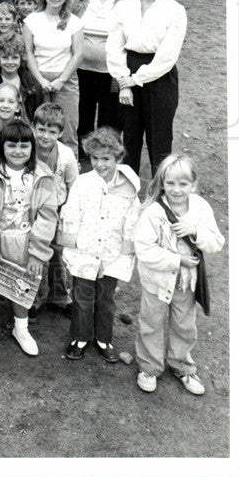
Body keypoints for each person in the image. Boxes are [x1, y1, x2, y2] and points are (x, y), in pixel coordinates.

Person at [133, 154, 224, 396]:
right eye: (170, 183)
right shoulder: (154, 212)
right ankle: (149, 367)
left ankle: (182, 365)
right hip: (157, 280)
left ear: (193, 184)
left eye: (183, 184)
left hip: (186, 282)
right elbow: (143, 249)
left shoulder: (201, 208)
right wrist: (177, 260)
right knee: (151, 323)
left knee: (184, 325)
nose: (176, 189)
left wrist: (195, 230)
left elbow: (217, 242)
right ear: (162, 183)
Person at [0, 119, 58, 361]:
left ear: (32, 148)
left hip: (27, 241)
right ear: (2, 147)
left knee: (23, 286)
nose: (18, 151)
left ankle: (22, 328)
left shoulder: (43, 176)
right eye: (12, 146)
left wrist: (37, 252)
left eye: (24, 146)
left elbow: (48, 216)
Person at [60, 127, 140, 363]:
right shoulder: (83, 183)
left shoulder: (129, 187)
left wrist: (124, 251)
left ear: (118, 158)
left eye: (106, 159)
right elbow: (71, 212)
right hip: (84, 250)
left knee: (105, 299)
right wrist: (74, 242)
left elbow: (131, 219)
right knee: (82, 297)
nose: (100, 164)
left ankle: (104, 338)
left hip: (112, 253)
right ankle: (80, 337)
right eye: (95, 158)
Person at [106, 0, 188, 176]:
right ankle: (128, 186)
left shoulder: (175, 10)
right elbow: (114, 44)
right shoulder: (124, 6)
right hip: (127, 68)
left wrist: (134, 80)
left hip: (160, 76)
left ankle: (161, 188)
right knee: (130, 133)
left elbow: (167, 56)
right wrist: (124, 82)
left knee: (159, 135)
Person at [22, 0, 84, 153]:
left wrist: (61, 80)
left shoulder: (74, 21)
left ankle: (68, 170)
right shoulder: (32, 20)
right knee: (38, 128)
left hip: (65, 80)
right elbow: (28, 53)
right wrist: (41, 80)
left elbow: (78, 54)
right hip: (38, 79)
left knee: (68, 128)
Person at [31, 102, 78, 314]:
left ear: (60, 133)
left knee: (58, 254)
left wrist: (68, 213)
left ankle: (60, 295)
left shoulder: (66, 155)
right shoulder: (27, 148)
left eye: (52, 132)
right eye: (41, 130)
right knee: (35, 252)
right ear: (33, 127)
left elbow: (73, 185)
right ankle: (34, 298)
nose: (45, 136)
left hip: (58, 209)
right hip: (33, 209)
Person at [75, 0, 126, 143]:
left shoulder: (124, 1)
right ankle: (83, 147)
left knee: (109, 111)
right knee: (84, 108)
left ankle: (106, 147)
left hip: (110, 69)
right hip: (83, 67)